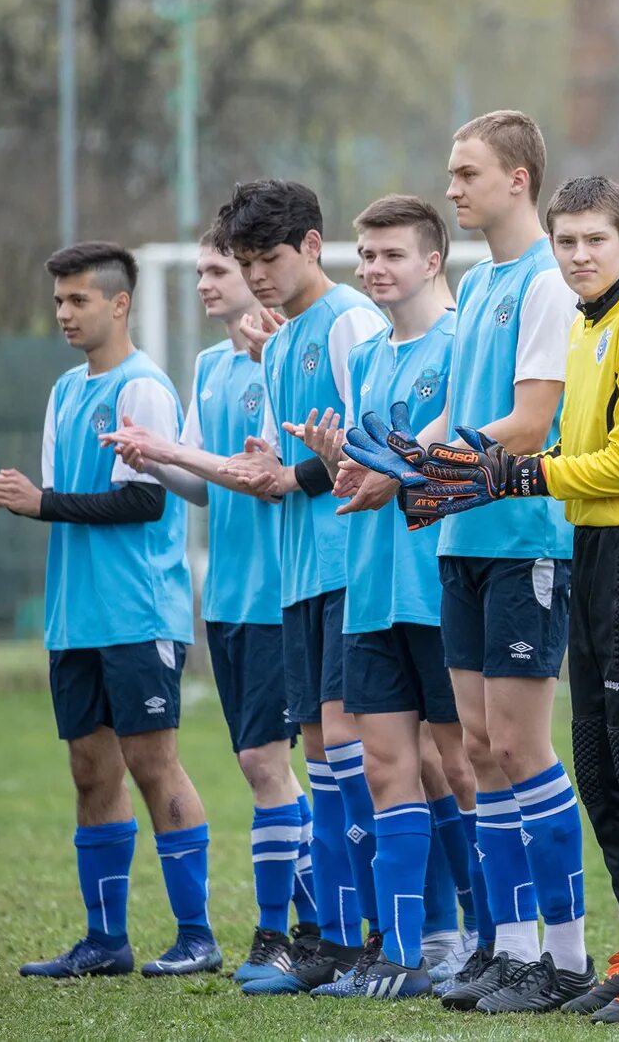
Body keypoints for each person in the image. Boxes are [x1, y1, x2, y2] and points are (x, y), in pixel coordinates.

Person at [347, 174, 619, 1023]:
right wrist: (418, 466)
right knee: (602, 767)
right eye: (567, 240)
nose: (580, 255)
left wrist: (516, 475)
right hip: (596, 546)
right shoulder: (587, 325)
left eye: (595, 239)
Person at [334, 111, 589, 1013]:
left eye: (466, 172)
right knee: (479, 750)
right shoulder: (479, 287)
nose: (452, 187)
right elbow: (457, 423)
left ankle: (565, 953)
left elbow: (529, 422)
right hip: (461, 543)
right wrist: (394, 464)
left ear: (517, 178)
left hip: (524, 542)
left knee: (522, 745)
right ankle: (505, 946)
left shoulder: (549, 285)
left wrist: (432, 475)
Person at [0, 242, 216, 978]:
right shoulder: (67, 389)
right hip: (74, 616)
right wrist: (20, 495)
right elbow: (62, 493)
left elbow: (145, 497)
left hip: (138, 612)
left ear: (119, 303)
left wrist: (38, 502)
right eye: (60, 302)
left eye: (78, 300)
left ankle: (196, 935)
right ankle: (106, 940)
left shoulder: (144, 388)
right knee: (88, 768)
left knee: (151, 762)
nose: (65, 314)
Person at [100, 234, 317, 983]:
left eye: (218, 270)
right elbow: (200, 479)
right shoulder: (208, 365)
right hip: (224, 595)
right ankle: (318, 919)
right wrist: (153, 455)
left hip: (279, 592)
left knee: (267, 763)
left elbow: (268, 475)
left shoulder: (282, 358)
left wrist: (175, 451)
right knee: (265, 766)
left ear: (261, 274)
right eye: (200, 272)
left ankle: (284, 933)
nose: (205, 283)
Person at [208, 179, 389, 993]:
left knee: (356, 758)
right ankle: (331, 938)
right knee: (321, 756)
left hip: (352, 565)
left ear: (312, 245)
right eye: (245, 262)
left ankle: (379, 939)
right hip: (298, 576)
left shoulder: (352, 319)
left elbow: (372, 438)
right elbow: (288, 466)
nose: (256, 276)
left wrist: (294, 475)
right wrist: (266, 472)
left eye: (268, 258)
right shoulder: (277, 344)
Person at [287, 195, 469, 999]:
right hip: (370, 588)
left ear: (432, 260)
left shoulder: (462, 345)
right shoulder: (367, 357)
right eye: (365, 255)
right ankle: (404, 951)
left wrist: (389, 468)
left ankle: (481, 942)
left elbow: (463, 458)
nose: (373, 269)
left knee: (462, 765)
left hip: (437, 583)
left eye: (390, 254)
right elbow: (361, 476)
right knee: (388, 763)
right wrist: (338, 462)